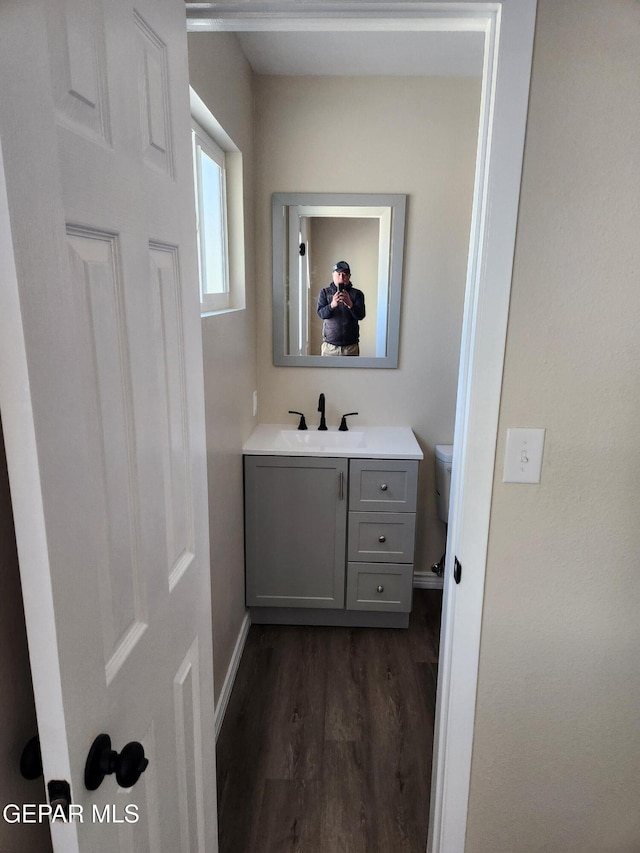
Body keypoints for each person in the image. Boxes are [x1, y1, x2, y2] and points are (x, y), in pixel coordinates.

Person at [316, 261, 366, 356]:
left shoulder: (357, 294)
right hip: (330, 347)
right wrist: (332, 305)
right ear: (333, 275)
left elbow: (361, 315)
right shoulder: (325, 293)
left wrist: (350, 304)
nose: (341, 278)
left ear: (349, 277)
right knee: (327, 371)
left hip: (351, 347)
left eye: (344, 274)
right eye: (338, 274)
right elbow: (321, 314)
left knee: (351, 372)